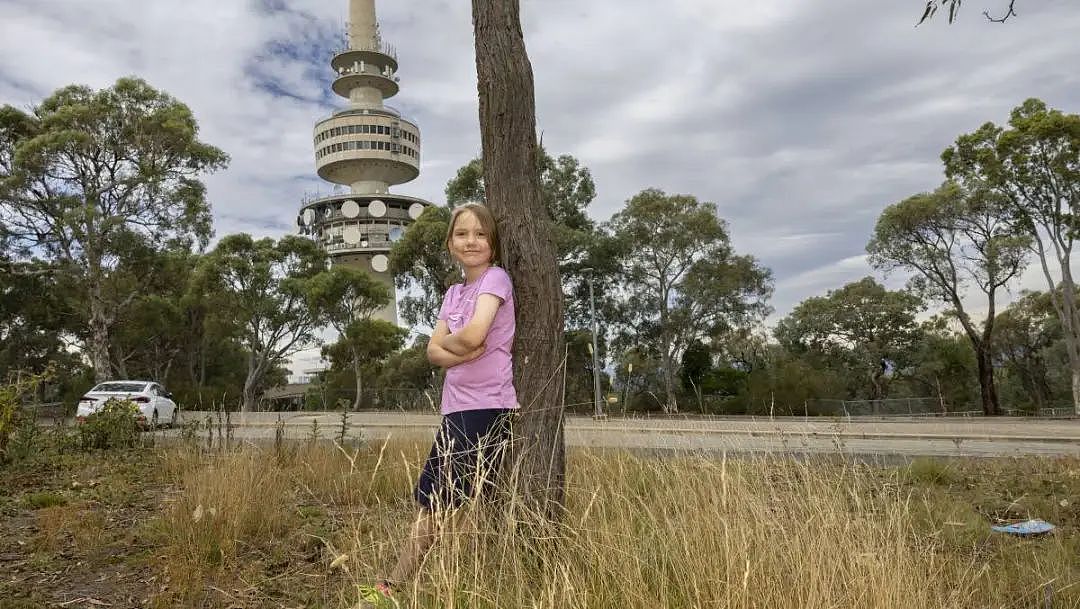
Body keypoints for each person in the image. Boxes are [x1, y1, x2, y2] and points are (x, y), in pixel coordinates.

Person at [358, 202, 517, 608]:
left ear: (493, 244)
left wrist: (454, 345)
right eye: (462, 234)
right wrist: (456, 349)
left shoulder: (495, 280)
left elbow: (474, 334)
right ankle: (419, 585)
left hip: (486, 406)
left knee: (438, 503)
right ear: (450, 243)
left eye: (481, 234)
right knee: (439, 502)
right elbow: (433, 352)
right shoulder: (453, 292)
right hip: (455, 407)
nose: (471, 241)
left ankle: (391, 587)